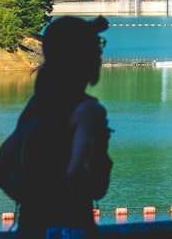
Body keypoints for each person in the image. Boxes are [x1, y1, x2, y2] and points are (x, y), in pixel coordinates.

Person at [15, 16, 112, 238]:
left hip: (32, 228)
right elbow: (87, 179)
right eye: (96, 47)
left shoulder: (38, 105)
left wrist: (36, 203)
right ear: (81, 57)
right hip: (71, 229)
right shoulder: (87, 110)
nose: (100, 53)